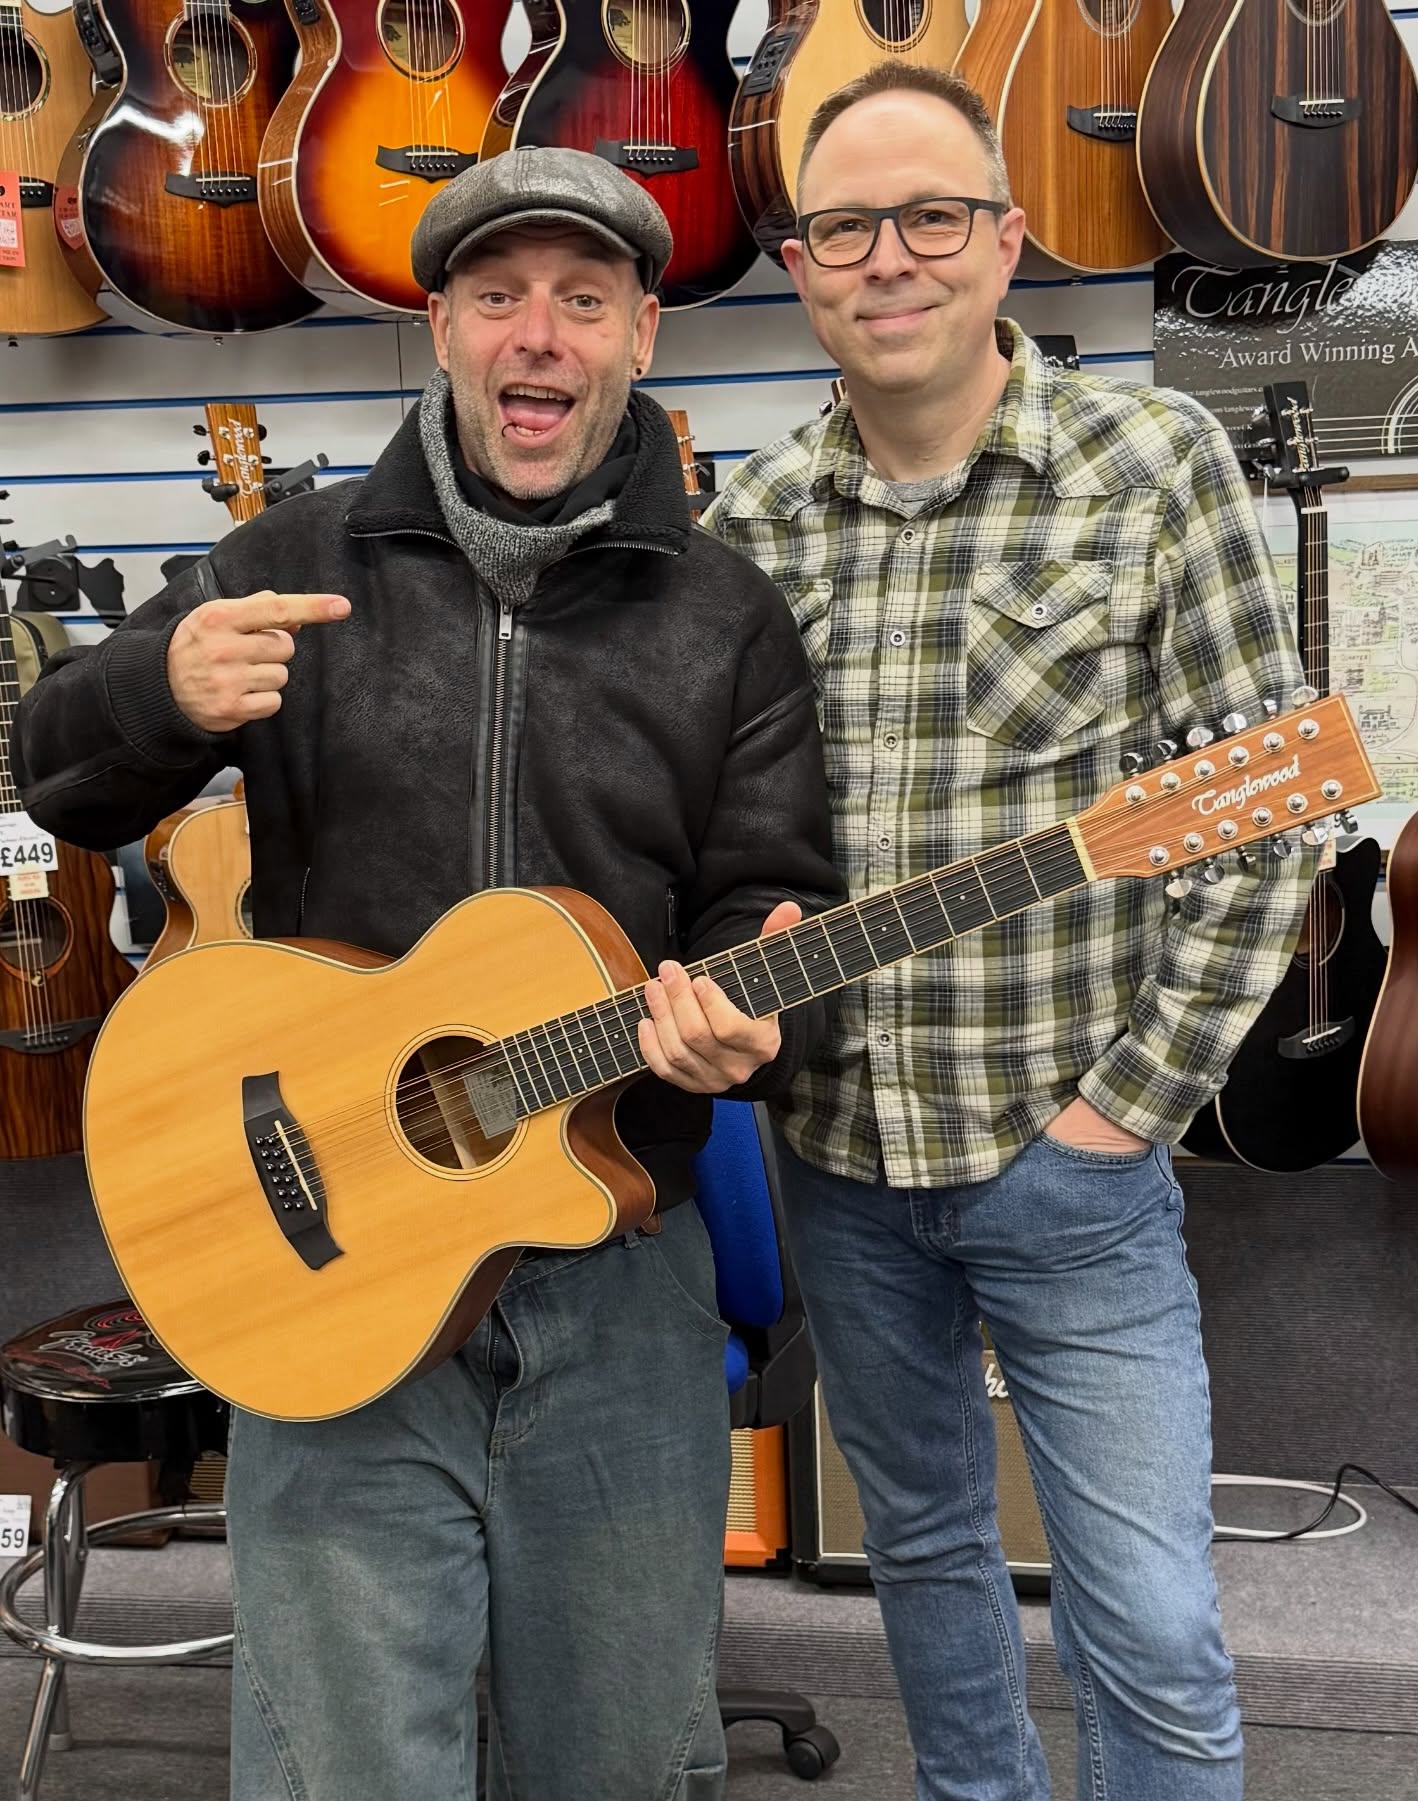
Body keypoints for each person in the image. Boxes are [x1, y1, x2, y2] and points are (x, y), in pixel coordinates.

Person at [15, 147, 844, 1801]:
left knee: (616, 1758)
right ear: (444, 328)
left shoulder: (730, 617)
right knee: (339, 1768)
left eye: (583, 301)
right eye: (496, 297)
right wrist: (159, 693)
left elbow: (776, 903)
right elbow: (59, 778)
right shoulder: (288, 563)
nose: (538, 336)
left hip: (613, 1271)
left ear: (641, 342)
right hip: (326, 1260)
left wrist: (756, 1007)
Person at [704, 61, 1315, 1801]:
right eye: (841, 227)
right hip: (838, 1159)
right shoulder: (753, 520)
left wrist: (1124, 1105)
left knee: (1154, 1627)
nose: (887, 258)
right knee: (927, 1574)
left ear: (1007, 238)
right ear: (800, 264)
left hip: (1072, 1158)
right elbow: (727, 847)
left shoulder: (1150, 465)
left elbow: (1263, 819)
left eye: (931, 217)